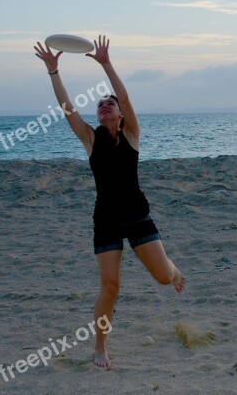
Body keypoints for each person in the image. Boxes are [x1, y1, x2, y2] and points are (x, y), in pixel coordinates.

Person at [34, 35, 186, 369]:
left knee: (162, 278)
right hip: (105, 220)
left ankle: (173, 270)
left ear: (120, 115)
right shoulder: (90, 139)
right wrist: (53, 72)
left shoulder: (132, 135)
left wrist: (106, 64)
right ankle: (100, 347)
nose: (104, 105)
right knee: (110, 286)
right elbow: (68, 109)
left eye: (110, 104)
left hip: (137, 214)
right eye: (101, 104)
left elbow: (127, 97)